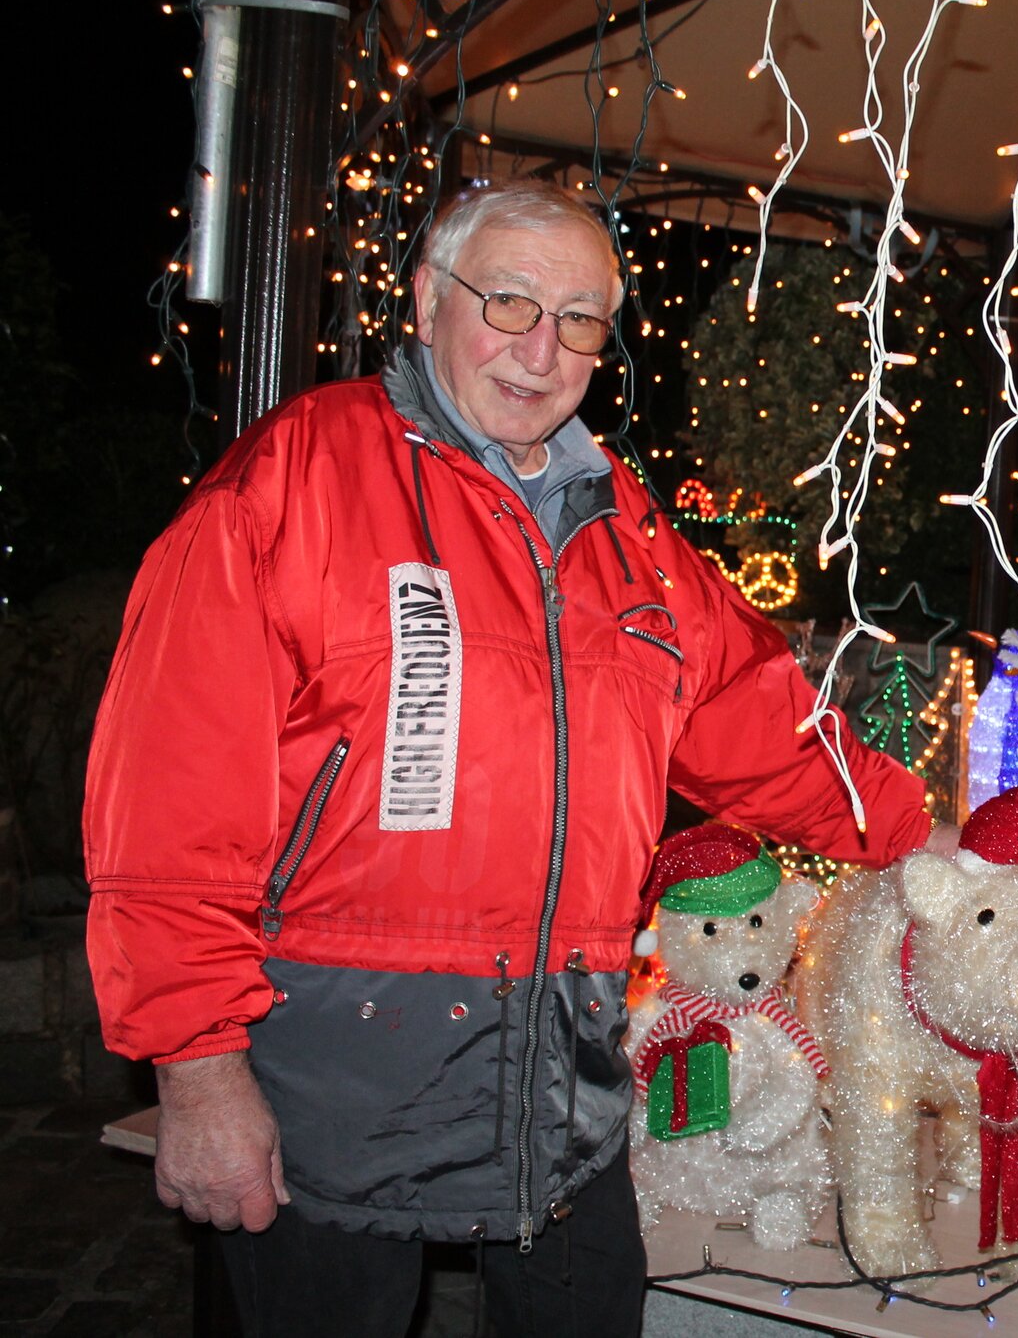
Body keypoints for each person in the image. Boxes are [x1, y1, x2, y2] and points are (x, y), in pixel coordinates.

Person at [83, 180, 931, 1337]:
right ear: (431, 298)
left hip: (558, 1085)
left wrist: (919, 837)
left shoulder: (624, 529)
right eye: (511, 303)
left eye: (580, 319)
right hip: (332, 1092)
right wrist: (195, 1068)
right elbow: (166, 804)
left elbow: (757, 716)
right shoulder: (295, 482)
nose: (543, 350)